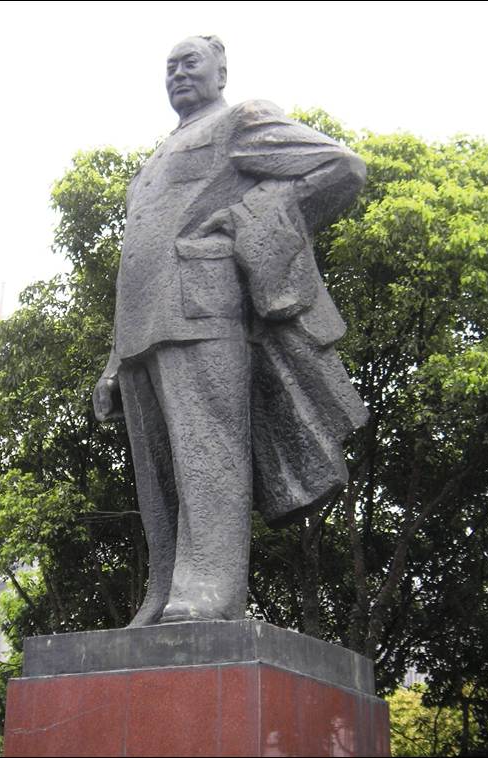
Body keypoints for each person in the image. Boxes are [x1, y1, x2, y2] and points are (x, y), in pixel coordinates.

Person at [93, 35, 368, 627]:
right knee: (158, 475)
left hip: (204, 308)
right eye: (169, 66)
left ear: (221, 72)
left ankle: (210, 591)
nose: (177, 73)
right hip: (140, 328)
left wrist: (249, 217)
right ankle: (163, 593)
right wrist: (113, 362)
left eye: (190, 62)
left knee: (208, 451)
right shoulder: (154, 158)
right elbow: (137, 258)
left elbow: (339, 167)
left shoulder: (240, 120)